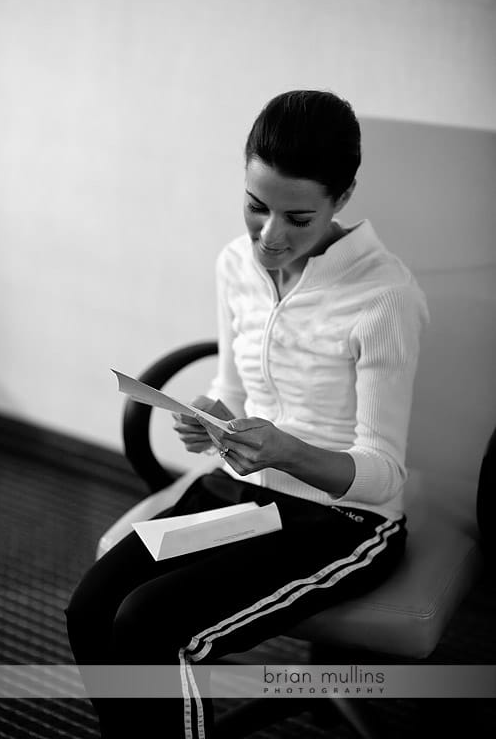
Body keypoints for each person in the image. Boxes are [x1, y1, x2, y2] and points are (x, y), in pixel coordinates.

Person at [65, 89, 429, 738]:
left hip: (345, 519)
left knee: (151, 625)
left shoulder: (385, 297)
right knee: (91, 607)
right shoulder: (235, 264)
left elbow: (386, 479)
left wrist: (286, 450)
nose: (269, 236)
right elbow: (232, 387)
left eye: (297, 217)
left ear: (342, 199)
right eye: (256, 208)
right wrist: (207, 414)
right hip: (245, 491)